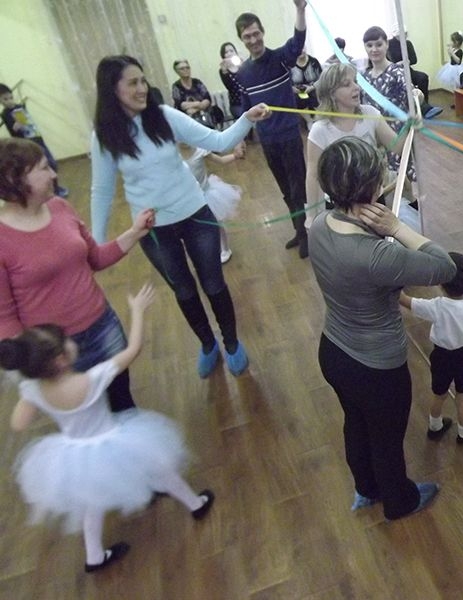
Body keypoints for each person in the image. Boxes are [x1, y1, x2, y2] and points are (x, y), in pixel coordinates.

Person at [1, 284, 214, 574]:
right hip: (115, 441)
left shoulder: (34, 390)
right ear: (61, 359)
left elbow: (18, 423)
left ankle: (95, 556)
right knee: (160, 469)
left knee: (92, 504)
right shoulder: (92, 379)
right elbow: (133, 349)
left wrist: (29, 392)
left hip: (73, 454)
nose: (71, 341)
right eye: (66, 340)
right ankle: (195, 503)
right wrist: (137, 311)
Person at [90, 55, 270, 378]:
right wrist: (97, 245)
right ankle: (208, 344)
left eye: (143, 80)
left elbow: (218, 141)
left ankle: (231, 343)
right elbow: (101, 191)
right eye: (133, 83)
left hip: (196, 216)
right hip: (153, 231)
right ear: (111, 89)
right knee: (184, 291)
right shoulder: (104, 136)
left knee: (213, 283)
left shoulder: (163, 116)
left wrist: (246, 118)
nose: (142, 88)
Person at [308, 137, 456, 520]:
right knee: (387, 439)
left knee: (356, 423)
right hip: (376, 367)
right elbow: (445, 266)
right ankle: (399, 502)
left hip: (333, 352)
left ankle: (366, 489)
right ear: (373, 187)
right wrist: (396, 226)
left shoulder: (320, 224)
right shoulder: (378, 256)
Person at [0, 138, 154, 413]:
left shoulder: (60, 207)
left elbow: (95, 258)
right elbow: (5, 318)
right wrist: (35, 361)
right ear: (15, 178)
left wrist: (135, 232)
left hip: (103, 326)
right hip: (57, 352)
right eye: (44, 168)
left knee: (122, 400)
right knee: (86, 414)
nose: (53, 174)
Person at [235, 1, 310, 259]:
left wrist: (300, 10)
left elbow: (298, 41)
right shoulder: (243, 73)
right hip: (267, 140)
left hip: (289, 136)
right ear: (242, 40)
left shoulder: (280, 59)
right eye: (247, 36)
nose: (253, 39)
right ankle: (299, 230)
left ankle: (306, 233)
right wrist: (239, 139)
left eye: (256, 33)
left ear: (262, 32)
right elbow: (245, 109)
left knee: (298, 186)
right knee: (285, 189)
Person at [399, 252, 463, 444]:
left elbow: (407, 302)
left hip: (441, 356)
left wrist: (393, 286)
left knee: (439, 394)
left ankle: (435, 426)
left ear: (440, 283)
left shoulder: (437, 306)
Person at [304, 62, 412, 228]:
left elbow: (398, 148)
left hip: (373, 199)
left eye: (355, 81)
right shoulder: (320, 130)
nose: (356, 87)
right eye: (347, 84)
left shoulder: (370, 114)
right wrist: (312, 216)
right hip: (340, 207)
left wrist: (409, 125)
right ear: (332, 93)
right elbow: (313, 175)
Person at [361, 26, 420, 183]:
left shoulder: (397, 72)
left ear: (386, 44)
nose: (374, 49)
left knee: (401, 179)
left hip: (397, 135)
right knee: (379, 179)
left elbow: (413, 98)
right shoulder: (364, 78)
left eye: (379, 44)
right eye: (369, 45)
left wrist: (418, 97)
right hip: (374, 137)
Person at [0, 83, 69, 197]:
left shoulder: (20, 107)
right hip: (27, 143)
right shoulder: (5, 114)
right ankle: (54, 190)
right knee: (44, 166)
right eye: (5, 99)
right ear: (1, 101)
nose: (10, 101)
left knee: (52, 163)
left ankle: (55, 188)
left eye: (11, 97)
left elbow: (30, 122)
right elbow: (13, 130)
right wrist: (17, 125)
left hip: (36, 138)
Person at [181, 140, 243, 264]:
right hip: (186, 198)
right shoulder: (172, 156)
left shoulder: (200, 150)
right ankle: (199, 250)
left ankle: (225, 249)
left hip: (206, 194)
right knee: (191, 227)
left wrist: (236, 155)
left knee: (216, 224)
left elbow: (221, 160)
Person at [386, 29, 443, 119]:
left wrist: (407, 61)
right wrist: (398, 64)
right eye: (403, 34)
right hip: (394, 73)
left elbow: (414, 59)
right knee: (406, 82)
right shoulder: (388, 44)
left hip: (408, 70)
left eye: (406, 34)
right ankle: (422, 108)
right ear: (396, 34)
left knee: (423, 77)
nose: (405, 35)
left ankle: (424, 105)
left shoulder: (408, 44)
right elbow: (387, 62)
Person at [291, 47, 323, 128]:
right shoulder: (290, 64)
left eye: (303, 48)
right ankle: (309, 120)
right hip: (298, 92)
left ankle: (317, 119)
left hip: (313, 88)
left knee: (316, 95)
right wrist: (293, 89)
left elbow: (322, 78)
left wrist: (312, 87)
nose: (301, 51)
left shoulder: (314, 62)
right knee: (295, 99)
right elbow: (287, 82)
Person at [218, 42, 245, 119]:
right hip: (236, 105)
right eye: (226, 52)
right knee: (244, 117)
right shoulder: (223, 70)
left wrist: (243, 65)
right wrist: (224, 71)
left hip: (248, 100)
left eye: (231, 51)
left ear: (235, 52)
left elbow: (249, 81)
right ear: (223, 56)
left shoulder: (242, 65)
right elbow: (229, 86)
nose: (229, 54)